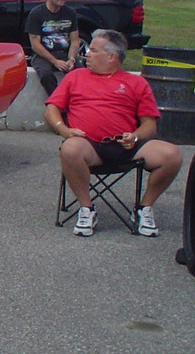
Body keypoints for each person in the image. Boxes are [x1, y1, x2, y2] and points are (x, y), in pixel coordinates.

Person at [44, 29, 182, 238]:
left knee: (171, 155)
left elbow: (149, 126)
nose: (87, 53)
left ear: (111, 57)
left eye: (93, 50)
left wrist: (135, 136)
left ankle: (144, 208)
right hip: (89, 145)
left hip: (127, 146)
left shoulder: (136, 83)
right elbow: (51, 109)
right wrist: (64, 129)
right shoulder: (75, 77)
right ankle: (86, 208)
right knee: (70, 148)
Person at [26, 0, 79, 96]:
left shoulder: (70, 13)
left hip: (64, 53)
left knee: (80, 74)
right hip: (42, 55)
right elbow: (35, 44)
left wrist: (71, 59)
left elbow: (75, 40)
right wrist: (55, 62)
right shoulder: (36, 13)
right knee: (46, 75)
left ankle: (79, 104)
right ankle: (58, 104)